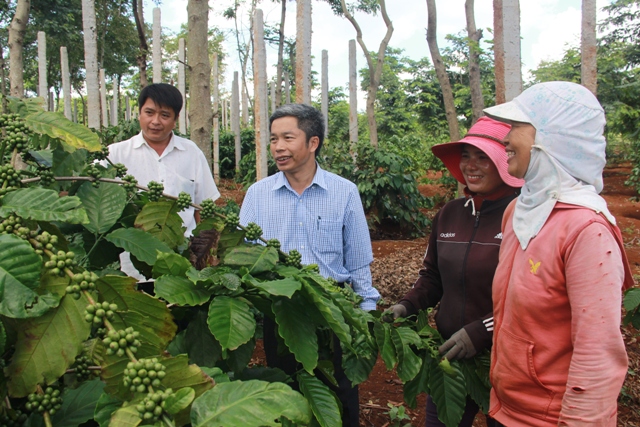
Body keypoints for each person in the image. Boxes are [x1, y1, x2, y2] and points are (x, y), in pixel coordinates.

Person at [483, 81, 634, 427]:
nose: (504, 139)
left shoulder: (586, 230)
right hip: (504, 409)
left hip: (549, 418)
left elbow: (597, 352)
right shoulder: (517, 213)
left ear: (550, 137)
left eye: (516, 127)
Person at [239, 103, 380, 426]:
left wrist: (367, 313)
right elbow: (244, 258)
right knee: (287, 396)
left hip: (336, 310)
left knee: (342, 395)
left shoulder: (344, 193)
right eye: (274, 139)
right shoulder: (258, 195)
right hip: (284, 311)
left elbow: (357, 261)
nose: (278, 147)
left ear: (312, 142)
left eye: (288, 138)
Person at [386, 116, 524, 427]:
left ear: (506, 162)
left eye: (483, 157)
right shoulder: (449, 214)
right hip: (450, 357)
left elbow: (528, 297)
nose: (470, 166)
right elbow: (433, 276)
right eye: (465, 155)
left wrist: (481, 331)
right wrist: (406, 306)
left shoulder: (524, 217)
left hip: (506, 362)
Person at [107, 83, 220, 279]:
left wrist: (206, 258)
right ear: (139, 113)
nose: (155, 121)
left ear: (176, 119)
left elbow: (203, 207)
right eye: (149, 113)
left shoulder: (191, 152)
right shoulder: (115, 154)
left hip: (182, 260)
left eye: (165, 115)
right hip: (133, 266)